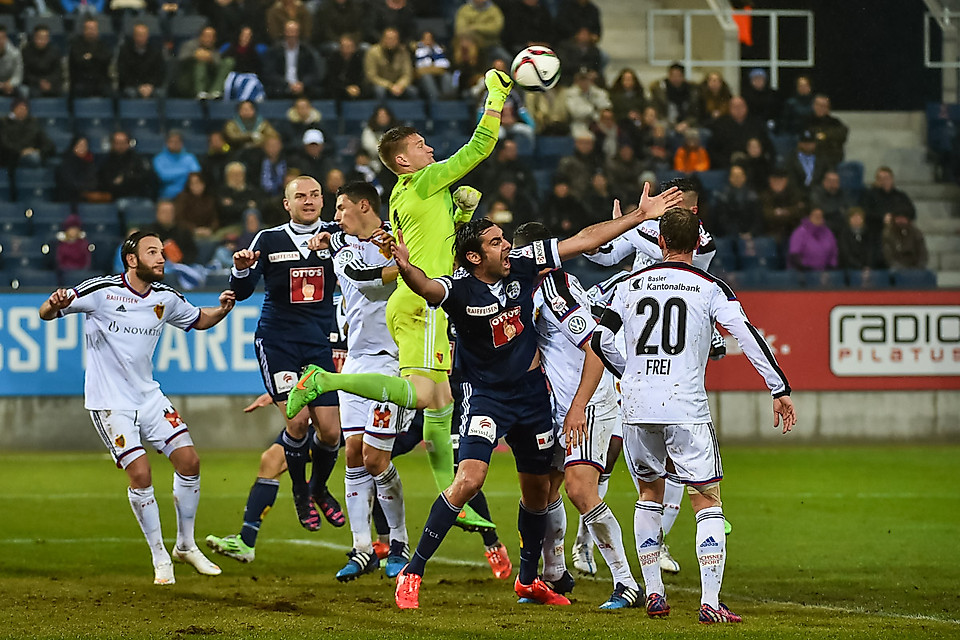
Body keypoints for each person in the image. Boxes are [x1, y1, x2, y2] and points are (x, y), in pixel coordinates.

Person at [289, 183, 682, 609]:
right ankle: (413, 571)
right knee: (469, 479)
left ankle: (529, 580)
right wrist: (404, 267)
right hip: (487, 398)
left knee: (538, 494)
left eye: (505, 239)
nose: (507, 246)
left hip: (532, 398)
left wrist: (638, 217)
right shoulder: (460, 289)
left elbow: (583, 240)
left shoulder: (523, 266)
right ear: (475, 257)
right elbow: (427, 288)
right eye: (496, 242)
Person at [287, 70, 525, 536]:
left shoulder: (402, 196)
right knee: (424, 397)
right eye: (420, 145)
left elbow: (430, 244)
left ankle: (457, 500)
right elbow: (479, 147)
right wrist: (496, 97)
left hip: (418, 300)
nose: (430, 149)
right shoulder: (425, 180)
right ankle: (324, 380)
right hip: (422, 303)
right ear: (403, 160)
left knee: (441, 404)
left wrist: (460, 214)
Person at [572, 207, 795, 623]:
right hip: (685, 406)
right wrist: (778, 386)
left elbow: (599, 340)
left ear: (659, 242)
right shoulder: (710, 287)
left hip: (637, 406)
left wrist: (629, 373)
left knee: (648, 494)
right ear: (697, 244)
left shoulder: (629, 284)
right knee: (706, 498)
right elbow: (745, 335)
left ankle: (654, 593)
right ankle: (710, 601)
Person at [39, 230, 235, 585]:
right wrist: (53, 304)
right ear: (132, 259)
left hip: (148, 397)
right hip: (110, 403)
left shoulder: (165, 297)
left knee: (189, 461)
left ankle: (186, 545)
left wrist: (222, 309)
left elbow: (198, 319)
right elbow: (46, 313)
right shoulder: (102, 291)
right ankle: (160, 557)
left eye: (161, 251)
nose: (161, 258)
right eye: (152, 252)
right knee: (141, 475)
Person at [205, 175, 347, 564]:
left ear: (323, 201)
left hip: (317, 344)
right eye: (300, 196)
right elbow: (243, 289)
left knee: (331, 432)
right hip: (278, 342)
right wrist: (239, 270)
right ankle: (301, 494)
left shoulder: (338, 236)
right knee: (297, 422)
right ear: (287, 204)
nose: (309, 201)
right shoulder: (268, 239)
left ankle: (318, 489)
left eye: (315, 195)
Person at [517, 221, 643, 610]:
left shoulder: (554, 290)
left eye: (513, 254)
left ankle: (626, 583)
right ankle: (555, 573)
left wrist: (577, 407)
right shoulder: (532, 289)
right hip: (557, 404)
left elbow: (595, 347)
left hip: (585, 402)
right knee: (547, 488)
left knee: (579, 489)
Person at [325, 182, 413, 582]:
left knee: (377, 459)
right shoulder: (343, 248)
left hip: (393, 363)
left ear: (364, 206)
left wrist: (405, 256)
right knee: (353, 454)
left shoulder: (401, 237)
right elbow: (367, 281)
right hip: (357, 363)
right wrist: (407, 266)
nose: (336, 216)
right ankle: (362, 548)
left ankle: (398, 541)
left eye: (341, 208)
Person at [99, 130, 156, 200]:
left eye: (123, 142)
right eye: (117, 143)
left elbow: (144, 179)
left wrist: (125, 179)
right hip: (115, 198)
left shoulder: (137, 159)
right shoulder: (106, 161)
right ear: (112, 144)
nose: (120, 146)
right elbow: (106, 183)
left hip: (137, 196)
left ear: (128, 143)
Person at [363, 27, 416, 101]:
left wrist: (400, 85)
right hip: (380, 84)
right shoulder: (373, 52)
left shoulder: (403, 52)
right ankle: (381, 108)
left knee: (413, 91)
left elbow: (407, 74)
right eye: (388, 38)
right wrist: (389, 86)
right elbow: (371, 76)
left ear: (398, 40)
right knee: (380, 90)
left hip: (398, 84)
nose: (391, 41)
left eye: (394, 39)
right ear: (382, 39)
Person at [117, 22, 166, 99]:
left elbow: (160, 73)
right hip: (131, 86)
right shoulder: (125, 51)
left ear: (147, 36)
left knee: (161, 93)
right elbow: (123, 74)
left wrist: (150, 86)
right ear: (134, 36)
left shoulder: (156, 51)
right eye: (139, 35)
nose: (141, 38)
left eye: (143, 35)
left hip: (151, 86)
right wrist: (138, 86)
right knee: (131, 93)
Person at [67, 17, 113, 97]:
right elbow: (78, 61)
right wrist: (95, 58)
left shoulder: (103, 45)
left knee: (112, 94)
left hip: (100, 82)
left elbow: (106, 59)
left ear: (97, 30)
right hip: (82, 81)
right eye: (88, 29)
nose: (91, 31)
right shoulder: (76, 45)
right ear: (84, 30)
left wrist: (90, 56)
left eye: (93, 29)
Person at [21, 25, 63, 97]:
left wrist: (48, 81)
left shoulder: (55, 51)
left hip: (50, 83)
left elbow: (58, 72)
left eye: (45, 38)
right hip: (33, 84)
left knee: (59, 91)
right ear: (34, 37)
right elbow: (26, 73)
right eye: (40, 38)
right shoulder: (26, 51)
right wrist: (39, 82)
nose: (42, 40)